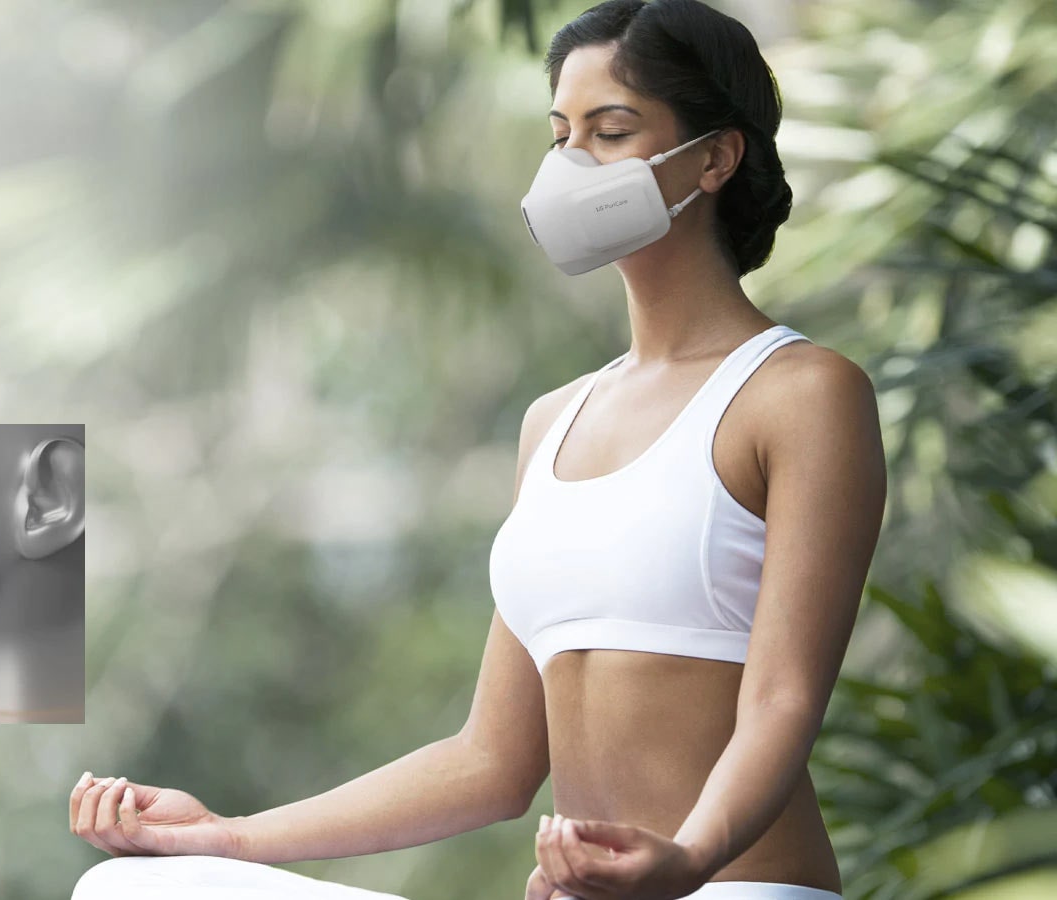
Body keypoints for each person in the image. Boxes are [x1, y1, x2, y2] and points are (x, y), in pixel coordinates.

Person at [67, 1, 886, 897]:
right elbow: (491, 762)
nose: (572, 163)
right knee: (133, 890)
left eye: (611, 132)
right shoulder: (553, 422)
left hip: (736, 885)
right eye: (561, 134)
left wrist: (687, 861)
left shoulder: (802, 393)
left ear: (715, 158)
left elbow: (782, 701)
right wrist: (227, 838)